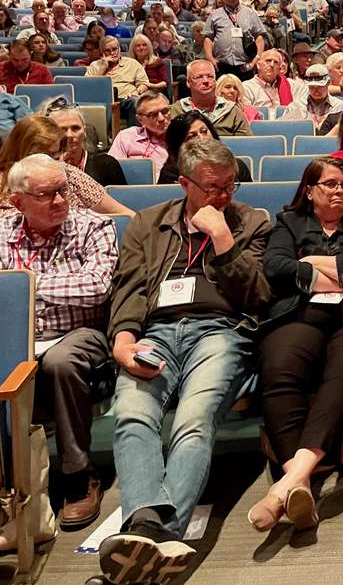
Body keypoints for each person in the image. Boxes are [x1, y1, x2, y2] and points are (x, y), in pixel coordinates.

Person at [99, 138, 271, 583]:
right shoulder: (147, 223)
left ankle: (151, 534)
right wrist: (122, 339)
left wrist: (223, 238)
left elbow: (257, 297)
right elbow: (130, 288)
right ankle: (154, 534)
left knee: (193, 420)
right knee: (133, 414)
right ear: (184, 184)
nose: (223, 196)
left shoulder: (251, 222)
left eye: (230, 186)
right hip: (155, 330)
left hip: (219, 332)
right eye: (212, 188)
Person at [247, 156, 343, 532]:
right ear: (309, 191)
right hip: (300, 313)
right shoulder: (289, 222)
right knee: (279, 370)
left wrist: (310, 260)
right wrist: (341, 279)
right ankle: (299, 484)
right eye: (329, 184)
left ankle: (285, 487)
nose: (338, 191)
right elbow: (276, 268)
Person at [1, 154, 116, 529]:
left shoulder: (93, 226)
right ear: (18, 201)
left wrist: (23, 285)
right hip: (17, 337)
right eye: (46, 194)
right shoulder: (1, 230)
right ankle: (7, 483)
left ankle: (78, 476)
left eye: (63, 190)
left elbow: (96, 287)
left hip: (81, 333)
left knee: (60, 362)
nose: (60, 200)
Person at [0, 116, 132, 216]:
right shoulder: (3, 183)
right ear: (20, 150)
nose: (45, 162)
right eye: (39, 155)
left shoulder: (69, 173)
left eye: (53, 155)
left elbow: (123, 214)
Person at [44, 99, 127, 187]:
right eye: (62, 129)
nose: (69, 135)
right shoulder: (42, 166)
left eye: (75, 128)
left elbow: (122, 199)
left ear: (84, 132)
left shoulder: (108, 165)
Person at [158, 110, 253, 185]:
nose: (202, 138)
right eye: (192, 136)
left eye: (204, 131)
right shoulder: (171, 173)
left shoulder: (237, 166)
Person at [203, 0, 267, 80]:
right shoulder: (214, 15)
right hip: (222, 65)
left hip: (245, 65)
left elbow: (259, 37)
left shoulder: (250, 13)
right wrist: (210, 58)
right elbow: (208, 38)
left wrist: (257, 59)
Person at [169, 60, 250, 136]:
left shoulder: (232, 111)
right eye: (199, 77)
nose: (205, 81)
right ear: (188, 82)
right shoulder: (176, 110)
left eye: (210, 76)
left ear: (215, 80)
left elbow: (246, 145)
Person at [87, 36, 150, 127]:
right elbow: (88, 86)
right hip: (103, 102)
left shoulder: (132, 63)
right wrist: (102, 69)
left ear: (119, 49)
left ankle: (134, 136)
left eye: (115, 49)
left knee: (134, 101)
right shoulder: (95, 66)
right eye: (108, 51)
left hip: (125, 100)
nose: (112, 53)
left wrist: (137, 92)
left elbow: (144, 83)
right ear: (102, 52)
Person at [108, 92, 171, 180]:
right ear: (140, 120)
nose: (161, 118)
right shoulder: (126, 137)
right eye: (153, 115)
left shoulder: (180, 139)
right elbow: (111, 170)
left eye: (165, 111)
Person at [242, 50, 308, 114]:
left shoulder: (292, 85)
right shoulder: (246, 87)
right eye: (268, 61)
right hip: (260, 123)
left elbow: (305, 95)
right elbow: (247, 115)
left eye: (276, 62)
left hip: (286, 123)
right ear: (258, 65)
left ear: (280, 68)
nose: (272, 65)